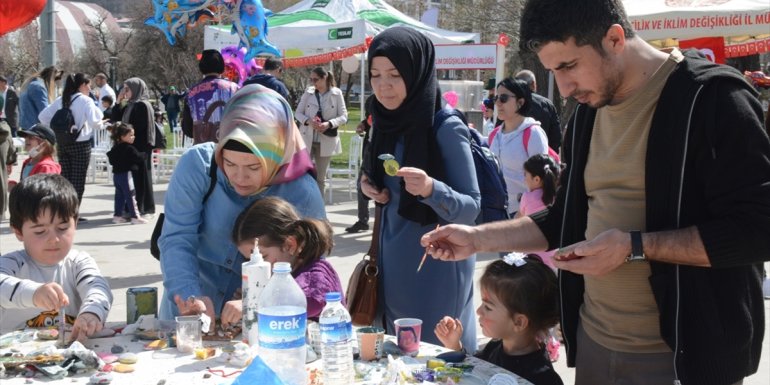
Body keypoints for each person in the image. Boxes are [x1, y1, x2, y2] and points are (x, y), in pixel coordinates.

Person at [421, 0, 770, 384]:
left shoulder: (714, 99)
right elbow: (562, 217)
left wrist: (636, 246)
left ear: (615, 38)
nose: (566, 88)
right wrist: (476, 238)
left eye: (569, 66)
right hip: (594, 346)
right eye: (554, 71)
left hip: (685, 357)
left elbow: (757, 230)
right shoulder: (588, 111)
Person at [158, 84, 326, 329]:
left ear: (276, 155)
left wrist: (256, 301)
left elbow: (313, 270)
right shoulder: (197, 167)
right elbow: (177, 238)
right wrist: (189, 294)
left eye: (254, 167)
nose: (239, 177)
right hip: (191, 310)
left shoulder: (301, 191)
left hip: (261, 323)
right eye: (229, 163)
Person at [360, 27, 481, 350]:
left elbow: (471, 207)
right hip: (390, 260)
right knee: (395, 358)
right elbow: (378, 175)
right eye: (375, 75)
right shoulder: (382, 119)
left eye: (395, 74)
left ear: (417, 73)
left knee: (438, 360)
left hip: (437, 263)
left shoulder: (445, 126)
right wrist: (369, 185)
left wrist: (431, 189)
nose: (383, 85)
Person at [0, 174, 113, 339]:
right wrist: (34, 293)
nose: (53, 239)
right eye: (40, 231)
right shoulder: (13, 263)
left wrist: (92, 313)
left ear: (75, 223)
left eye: (62, 227)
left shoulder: (78, 262)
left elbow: (98, 288)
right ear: (18, 232)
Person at [435, 254, 563, 385]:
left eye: (488, 308)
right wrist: (454, 345)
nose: (479, 311)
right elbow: (473, 370)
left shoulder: (542, 378)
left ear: (519, 322)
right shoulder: (495, 347)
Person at [220, 196, 344, 326]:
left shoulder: (316, 273)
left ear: (290, 245)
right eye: (248, 259)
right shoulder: (274, 277)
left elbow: (313, 301)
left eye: (262, 256)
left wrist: (253, 304)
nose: (255, 266)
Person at [38, 73, 105, 211]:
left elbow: (42, 116)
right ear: (82, 85)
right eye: (88, 85)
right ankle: (72, 212)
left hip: (63, 144)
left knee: (65, 180)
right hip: (81, 145)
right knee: (78, 181)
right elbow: (94, 122)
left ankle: (63, 210)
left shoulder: (61, 100)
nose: (90, 89)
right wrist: (102, 123)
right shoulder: (86, 101)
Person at [488, 78, 549, 216]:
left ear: (520, 102)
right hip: (496, 212)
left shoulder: (533, 133)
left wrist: (522, 213)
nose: (497, 103)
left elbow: (542, 181)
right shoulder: (494, 136)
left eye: (503, 98)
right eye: (495, 97)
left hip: (525, 215)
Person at [295, 67, 347, 194]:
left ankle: (319, 211)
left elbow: (344, 116)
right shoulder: (308, 93)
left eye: (316, 79)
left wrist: (329, 124)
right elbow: (297, 113)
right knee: (304, 176)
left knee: (320, 178)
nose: (313, 83)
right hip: (307, 139)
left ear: (324, 78)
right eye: (311, 80)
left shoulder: (337, 93)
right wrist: (309, 121)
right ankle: (304, 206)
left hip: (326, 140)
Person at [112, 77, 156, 218]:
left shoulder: (142, 105)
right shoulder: (130, 105)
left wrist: (124, 131)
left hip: (140, 147)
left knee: (141, 178)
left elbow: (137, 127)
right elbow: (115, 118)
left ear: (136, 89)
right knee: (131, 179)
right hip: (130, 147)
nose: (125, 92)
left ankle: (144, 208)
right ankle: (131, 208)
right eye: (124, 89)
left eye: (128, 89)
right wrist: (118, 102)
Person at [181, 49, 240, 144]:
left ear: (201, 66)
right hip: (229, 148)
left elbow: (188, 129)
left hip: (202, 150)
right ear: (222, 66)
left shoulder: (191, 93)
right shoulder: (234, 89)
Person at [515, 153, 560, 270]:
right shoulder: (559, 197)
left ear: (536, 179)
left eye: (525, 175)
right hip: (554, 252)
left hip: (533, 252)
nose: (524, 179)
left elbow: (518, 220)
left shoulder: (528, 197)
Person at [106, 122, 147, 225]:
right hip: (126, 176)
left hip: (116, 176)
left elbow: (111, 159)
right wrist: (145, 154)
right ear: (122, 136)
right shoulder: (129, 148)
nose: (133, 137)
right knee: (131, 196)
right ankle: (135, 217)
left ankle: (117, 216)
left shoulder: (115, 147)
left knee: (119, 196)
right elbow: (138, 157)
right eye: (131, 135)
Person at [345, 94, 374, 233]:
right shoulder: (371, 100)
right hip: (370, 148)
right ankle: (363, 220)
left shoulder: (394, 98)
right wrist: (363, 124)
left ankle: (382, 222)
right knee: (361, 185)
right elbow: (369, 120)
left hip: (385, 149)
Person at [514, 70, 562, 152]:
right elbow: (556, 136)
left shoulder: (509, 102)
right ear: (533, 84)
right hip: (543, 157)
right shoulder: (547, 104)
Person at [19, 66, 63, 130]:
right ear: (51, 78)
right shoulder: (39, 87)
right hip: (35, 129)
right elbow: (45, 112)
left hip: (26, 126)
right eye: (55, 80)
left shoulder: (30, 84)